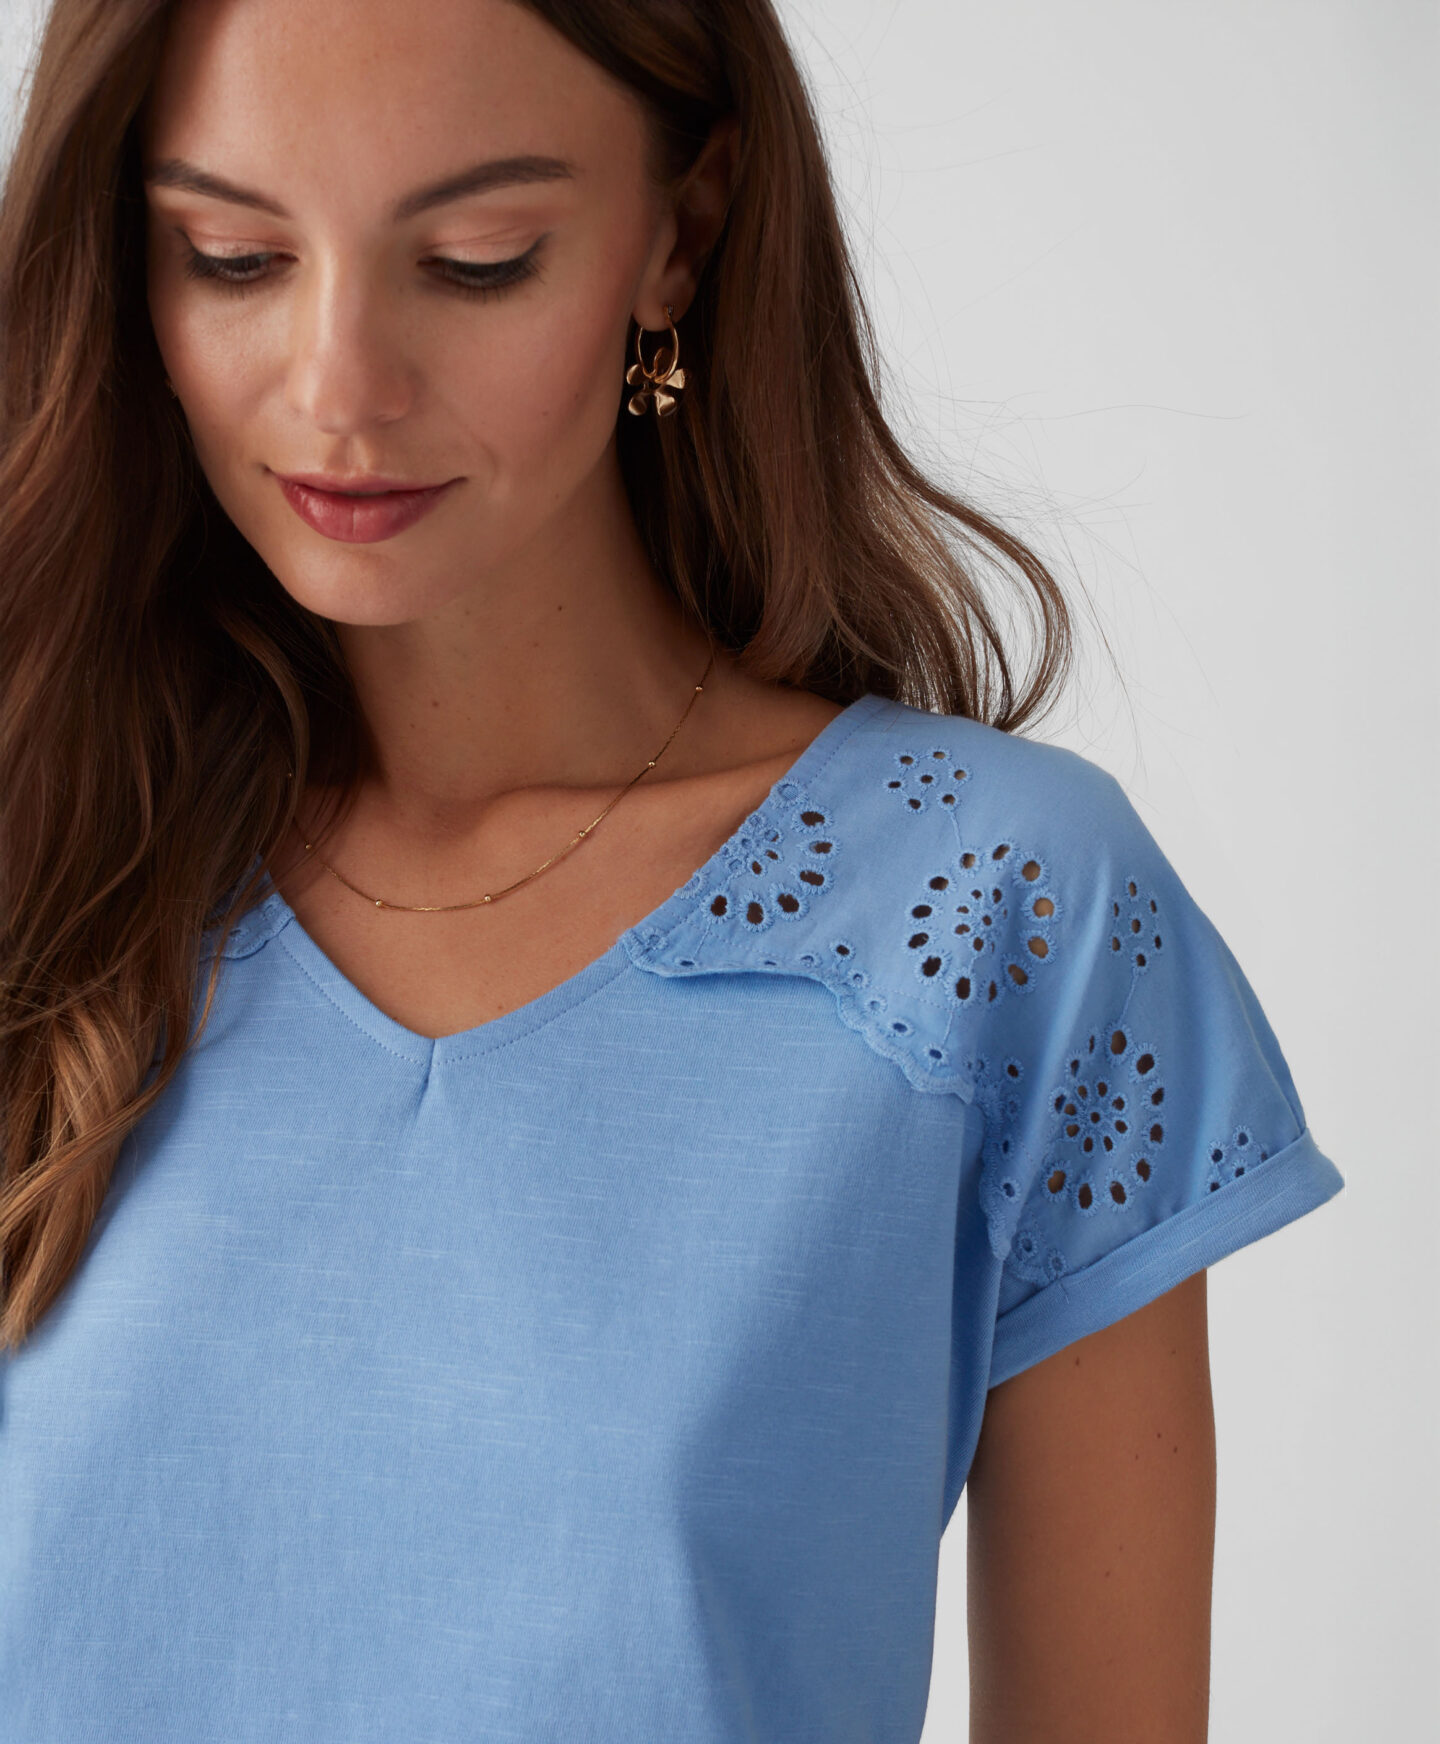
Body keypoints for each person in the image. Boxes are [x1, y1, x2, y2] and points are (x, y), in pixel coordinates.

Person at [0, 1, 1344, 1738]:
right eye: (233, 257)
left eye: (477, 260)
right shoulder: (45, 859)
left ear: (681, 235)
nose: (337, 386)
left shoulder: (995, 912)